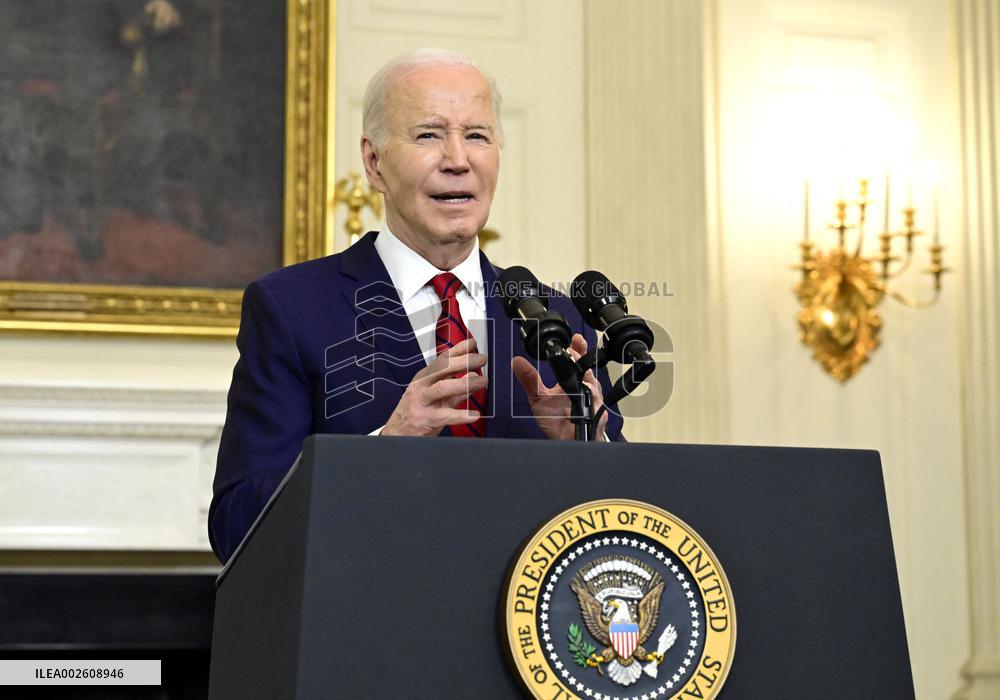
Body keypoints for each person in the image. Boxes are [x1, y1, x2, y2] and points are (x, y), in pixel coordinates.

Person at [209, 48, 624, 562]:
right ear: (374, 162)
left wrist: (581, 449)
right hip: (371, 625)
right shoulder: (291, 308)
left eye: (477, 135)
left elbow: (620, 520)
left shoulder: (555, 317)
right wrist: (384, 446)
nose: (458, 160)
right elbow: (236, 524)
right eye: (429, 134)